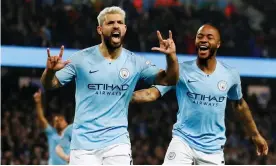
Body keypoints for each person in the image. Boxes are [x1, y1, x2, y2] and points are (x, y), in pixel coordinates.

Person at [40, 6, 179, 165]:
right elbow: (50, 84)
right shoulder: (80, 59)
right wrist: (50, 71)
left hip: (117, 143)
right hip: (83, 145)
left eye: (120, 22)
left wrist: (171, 58)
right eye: (110, 23)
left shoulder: (135, 62)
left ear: (125, 29)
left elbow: (169, 80)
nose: (116, 26)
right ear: (100, 29)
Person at [131, 24, 268, 165]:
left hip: (213, 149)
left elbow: (239, 105)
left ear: (218, 44)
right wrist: (119, 95)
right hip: (183, 142)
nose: (203, 40)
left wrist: (255, 135)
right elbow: (150, 94)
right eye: (200, 36)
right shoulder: (181, 70)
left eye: (209, 37)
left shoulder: (230, 74)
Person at [33, 89, 68, 165]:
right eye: (56, 121)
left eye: (60, 120)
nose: (58, 122)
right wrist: (38, 103)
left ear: (66, 123)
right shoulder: (51, 132)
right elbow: (41, 118)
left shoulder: (70, 134)